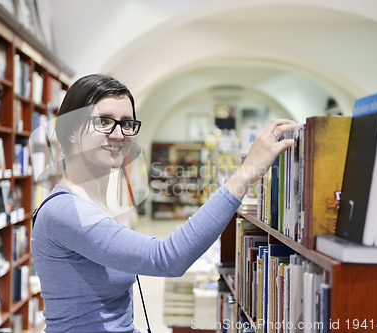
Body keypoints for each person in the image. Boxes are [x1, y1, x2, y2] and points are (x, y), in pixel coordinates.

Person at [31, 74, 296, 333]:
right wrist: (246, 172)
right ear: (71, 132)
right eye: (103, 121)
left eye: (126, 123)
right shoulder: (65, 211)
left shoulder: (92, 202)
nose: (118, 134)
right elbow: (167, 257)